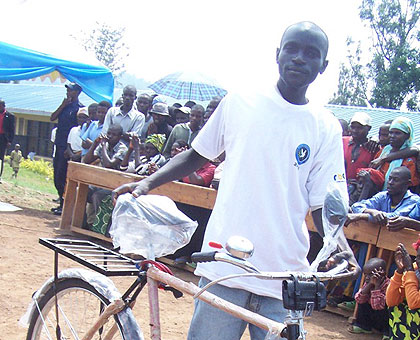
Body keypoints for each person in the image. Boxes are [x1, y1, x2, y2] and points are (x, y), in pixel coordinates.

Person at [113, 21, 347, 339]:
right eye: (291, 49)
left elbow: (322, 202)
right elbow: (199, 154)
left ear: (323, 66)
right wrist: (146, 183)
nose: (298, 58)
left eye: (311, 53)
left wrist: (337, 242)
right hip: (224, 267)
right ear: (277, 54)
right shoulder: (241, 102)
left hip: (284, 277)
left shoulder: (326, 127)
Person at [50, 82, 84, 215]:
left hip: (68, 147)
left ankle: (64, 206)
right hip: (59, 144)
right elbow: (52, 118)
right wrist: (63, 105)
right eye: (68, 90)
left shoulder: (79, 109)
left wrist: (70, 147)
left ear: (77, 92)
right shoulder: (65, 106)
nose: (68, 92)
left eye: (71, 90)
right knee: (57, 175)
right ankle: (60, 201)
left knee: (64, 175)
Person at [346, 167, 420, 226]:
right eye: (390, 179)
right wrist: (371, 211)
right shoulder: (383, 195)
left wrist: (360, 216)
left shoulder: (413, 200)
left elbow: (393, 217)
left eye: (396, 180)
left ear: (408, 184)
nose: (390, 183)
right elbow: (356, 206)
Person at [386, 241, 420, 340]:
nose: (418, 261)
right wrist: (399, 271)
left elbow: (415, 303)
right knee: (396, 309)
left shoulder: (411, 270)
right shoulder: (415, 268)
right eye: (418, 257)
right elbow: (391, 301)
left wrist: (409, 270)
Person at [348, 258, 390, 338]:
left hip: (383, 319)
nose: (367, 277)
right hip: (372, 317)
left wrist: (376, 287)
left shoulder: (388, 285)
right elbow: (358, 299)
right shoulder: (369, 282)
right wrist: (370, 285)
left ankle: (386, 333)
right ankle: (364, 326)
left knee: (386, 308)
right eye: (365, 274)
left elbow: (378, 306)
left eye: (370, 274)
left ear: (382, 273)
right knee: (362, 297)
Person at [0, 99, 15, 183]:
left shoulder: (9, 116)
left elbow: (12, 130)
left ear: (3, 106)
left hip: (3, 138)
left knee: (1, 158)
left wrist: (10, 141)